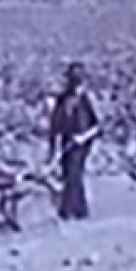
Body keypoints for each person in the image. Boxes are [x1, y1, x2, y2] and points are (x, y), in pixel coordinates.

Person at [47, 62, 101, 220]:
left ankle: (69, 210)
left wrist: (83, 137)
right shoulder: (62, 99)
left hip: (81, 143)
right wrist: (53, 146)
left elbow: (97, 125)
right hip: (66, 140)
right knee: (68, 173)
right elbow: (55, 122)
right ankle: (77, 209)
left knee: (74, 172)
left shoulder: (86, 99)